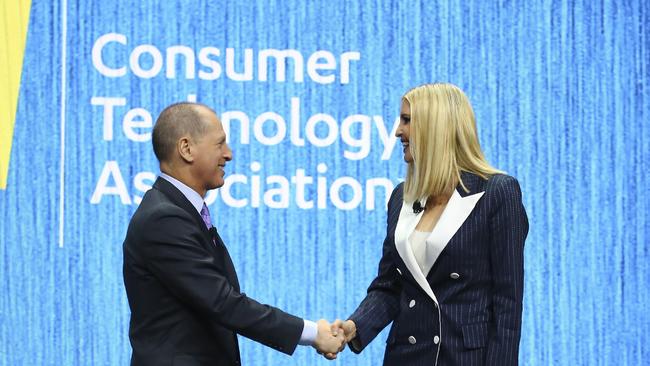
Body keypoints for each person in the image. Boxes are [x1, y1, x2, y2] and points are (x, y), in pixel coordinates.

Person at [123, 102, 344, 365]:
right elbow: (223, 303)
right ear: (186, 148)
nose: (228, 154)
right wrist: (312, 333)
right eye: (220, 144)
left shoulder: (180, 212)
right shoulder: (164, 218)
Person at [332, 83, 529, 365]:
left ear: (435, 127)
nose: (398, 131)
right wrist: (356, 326)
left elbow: (507, 307)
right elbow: (390, 286)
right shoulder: (401, 196)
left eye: (407, 120)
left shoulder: (497, 193)